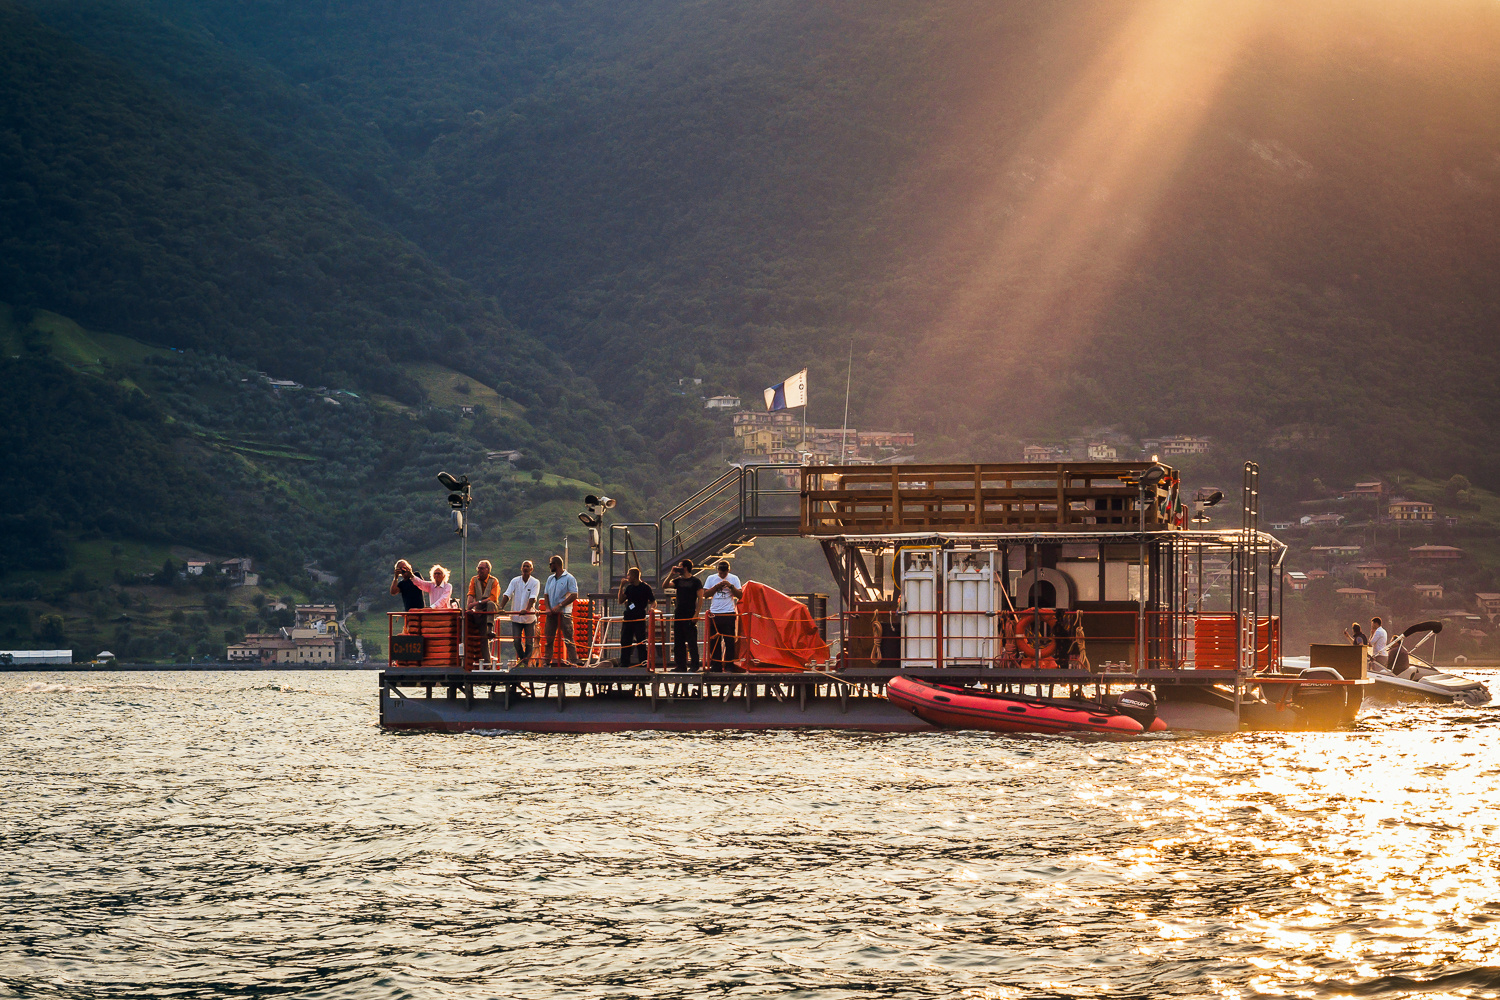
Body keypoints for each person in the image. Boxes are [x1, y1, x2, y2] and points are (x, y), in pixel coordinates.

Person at [499, 560, 540, 665]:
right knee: (516, 641)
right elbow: (507, 594)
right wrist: (500, 607)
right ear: (521, 568)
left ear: (531, 569)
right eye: (524, 566)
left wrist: (526, 610)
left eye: (528, 566)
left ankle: (525, 662)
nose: (526, 568)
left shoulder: (535, 582)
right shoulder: (515, 581)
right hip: (516, 617)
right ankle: (523, 660)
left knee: (529, 643)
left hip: (529, 618)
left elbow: (533, 598)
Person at [666, 558, 704, 672]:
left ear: (685, 568)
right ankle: (681, 665)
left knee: (691, 641)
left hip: (690, 613)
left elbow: (700, 598)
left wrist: (696, 614)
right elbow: (665, 585)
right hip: (679, 614)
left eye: (680, 566)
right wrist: (671, 574)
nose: (678, 568)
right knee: (678, 641)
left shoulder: (696, 581)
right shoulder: (678, 581)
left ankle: (694, 665)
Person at [704, 560, 742, 671]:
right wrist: (716, 587)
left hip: (728, 613)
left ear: (728, 571)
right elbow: (705, 594)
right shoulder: (711, 578)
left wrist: (730, 586)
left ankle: (729, 665)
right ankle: (716, 665)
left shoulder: (734, 578)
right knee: (714, 641)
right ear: (717, 571)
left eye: (724, 574)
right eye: (720, 573)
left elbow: (740, 595)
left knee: (729, 641)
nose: (722, 575)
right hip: (714, 614)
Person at [542, 555, 579, 666]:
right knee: (549, 638)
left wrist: (560, 605)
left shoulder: (569, 578)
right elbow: (546, 594)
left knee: (568, 638)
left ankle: (573, 662)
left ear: (556, 564)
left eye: (551, 564)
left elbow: (574, 595)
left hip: (564, 613)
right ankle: (547, 662)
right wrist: (548, 608)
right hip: (551, 614)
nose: (549, 566)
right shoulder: (550, 579)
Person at [616, 567, 655, 668]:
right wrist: (621, 586)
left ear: (634, 576)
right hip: (628, 616)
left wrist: (652, 609)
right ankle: (624, 663)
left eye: (629, 575)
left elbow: (653, 601)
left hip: (639, 617)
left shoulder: (645, 587)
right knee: (625, 640)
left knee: (641, 640)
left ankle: (644, 662)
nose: (627, 577)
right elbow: (620, 600)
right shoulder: (629, 588)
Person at [465, 560, 502, 647]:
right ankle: (486, 659)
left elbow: (493, 598)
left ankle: (490, 629)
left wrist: (477, 602)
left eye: (482, 568)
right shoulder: (474, 580)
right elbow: (470, 594)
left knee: (490, 604)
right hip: (479, 609)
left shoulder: (494, 581)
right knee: (483, 640)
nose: (479, 570)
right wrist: (469, 606)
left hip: (491, 608)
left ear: (487, 570)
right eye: (478, 568)